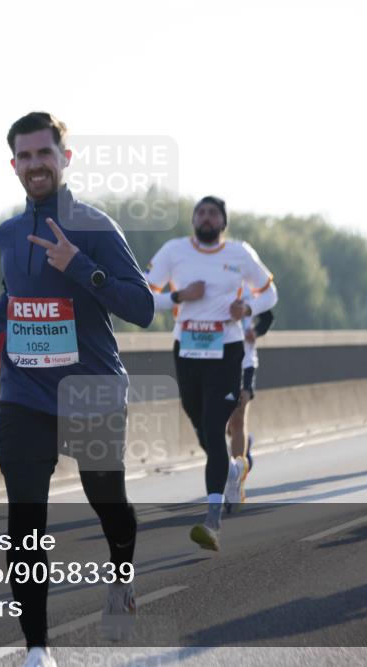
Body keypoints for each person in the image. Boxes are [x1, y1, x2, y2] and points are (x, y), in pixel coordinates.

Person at [0, 112, 155, 666]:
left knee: (109, 504)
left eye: (43, 154)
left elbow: (141, 307)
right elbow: (13, 300)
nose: (35, 165)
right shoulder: (7, 233)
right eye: (24, 157)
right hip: (23, 393)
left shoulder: (95, 228)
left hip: (91, 390)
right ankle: (37, 650)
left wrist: (81, 268)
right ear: (13, 166)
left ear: (64, 158)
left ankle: (121, 575)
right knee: (25, 519)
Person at [145, 196, 276, 550]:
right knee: (202, 427)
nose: (206, 217)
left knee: (216, 428)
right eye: (200, 212)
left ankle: (212, 521)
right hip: (187, 349)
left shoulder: (240, 253)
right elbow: (144, 291)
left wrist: (247, 306)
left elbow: (270, 293)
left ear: (223, 222)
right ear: (193, 220)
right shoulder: (174, 251)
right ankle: (233, 470)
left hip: (227, 350)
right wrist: (179, 295)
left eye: (213, 213)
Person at [224, 293, 276, 512]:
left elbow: (268, 317)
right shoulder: (213, 286)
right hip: (217, 362)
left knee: (238, 418)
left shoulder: (249, 292)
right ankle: (244, 448)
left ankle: (236, 480)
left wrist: (255, 332)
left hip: (245, 362)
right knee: (225, 425)